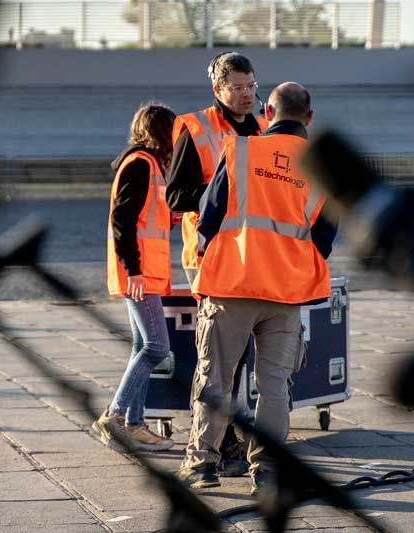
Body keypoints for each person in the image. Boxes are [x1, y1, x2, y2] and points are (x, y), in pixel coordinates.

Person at [177, 82, 338, 494]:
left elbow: (208, 219)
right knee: (274, 386)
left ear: (268, 111)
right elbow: (324, 239)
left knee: (216, 377)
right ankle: (266, 471)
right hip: (285, 294)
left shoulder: (240, 150)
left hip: (231, 284)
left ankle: (202, 465)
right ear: (309, 117)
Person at [167, 51, 269, 478]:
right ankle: (219, 440)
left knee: (242, 350)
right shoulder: (196, 127)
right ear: (218, 89)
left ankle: (229, 430)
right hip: (210, 257)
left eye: (251, 86)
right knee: (217, 351)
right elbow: (175, 196)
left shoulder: (266, 127)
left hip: (256, 255)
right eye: (238, 88)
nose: (247, 95)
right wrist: (223, 190)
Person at [92, 102, 176, 452]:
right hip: (139, 273)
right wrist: (135, 270)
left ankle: (135, 424)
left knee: (142, 346)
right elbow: (122, 221)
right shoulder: (140, 164)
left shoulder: (152, 166)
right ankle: (115, 415)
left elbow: (150, 218)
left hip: (146, 272)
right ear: (160, 133)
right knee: (158, 348)